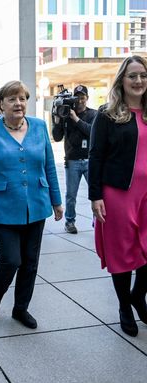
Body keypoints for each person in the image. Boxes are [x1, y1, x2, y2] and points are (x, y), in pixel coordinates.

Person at [0, 80, 63, 329]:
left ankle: (20, 308)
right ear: (1, 104)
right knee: (11, 259)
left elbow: (48, 166)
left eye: (22, 98)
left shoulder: (39, 126)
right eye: (12, 99)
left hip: (37, 204)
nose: (18, 103)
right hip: (1, 206)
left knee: (30, 262)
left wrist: (56, 199)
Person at [89, 55, 147, 337]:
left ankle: (138, 295)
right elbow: (95, 156)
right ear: (122, 80)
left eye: (143, 75)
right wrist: (95, 195)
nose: (138, 81)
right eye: (132, 76)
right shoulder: (107, 114)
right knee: (123, 253)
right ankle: (125, 306)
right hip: (118, 193)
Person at [52, 85, 97, 234]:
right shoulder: (65, 114)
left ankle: (97, 220)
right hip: (72, 160)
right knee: (71, 195)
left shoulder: (93, 114)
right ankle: (69, 222)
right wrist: (58, 120)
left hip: (91, 160)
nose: (79, 101)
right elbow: (57, 137)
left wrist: (75, 119)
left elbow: (92, 132)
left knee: (96, 193)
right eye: (77, 97)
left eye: (82, 97)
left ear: (87, 98)